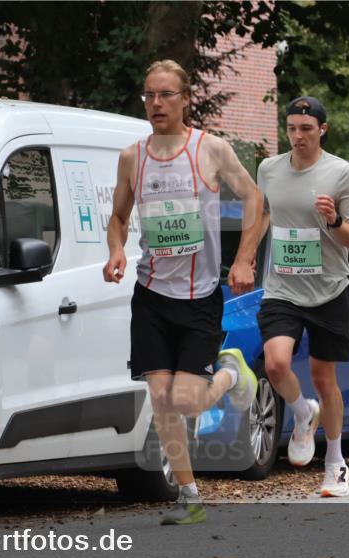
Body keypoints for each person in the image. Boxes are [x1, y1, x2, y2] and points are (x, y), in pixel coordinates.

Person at [103, 59, 265, 525]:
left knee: (188, 400)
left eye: (166, 94)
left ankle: (234, 374)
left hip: (199, 296)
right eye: (149, 95)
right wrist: (115, 250)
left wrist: (244, 257)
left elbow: (254, 197)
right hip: (151, 293)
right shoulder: (133, 156)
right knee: (160, 397)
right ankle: (189, 495)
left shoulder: (210, 150)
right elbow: (117, 215)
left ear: (184, 98)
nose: (156, 103)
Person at [254, 96, 349, 497]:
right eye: (291, 128)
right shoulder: (268, 169)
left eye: (305, 129)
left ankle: (335, 464)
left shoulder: (341, 173)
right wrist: (244, 257)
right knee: (276, 363)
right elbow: (260, 216)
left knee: (324, 377)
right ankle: (303, 415)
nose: (297, 136)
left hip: (329, 289)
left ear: (323, 129)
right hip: (282, 287)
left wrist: (334, 219)